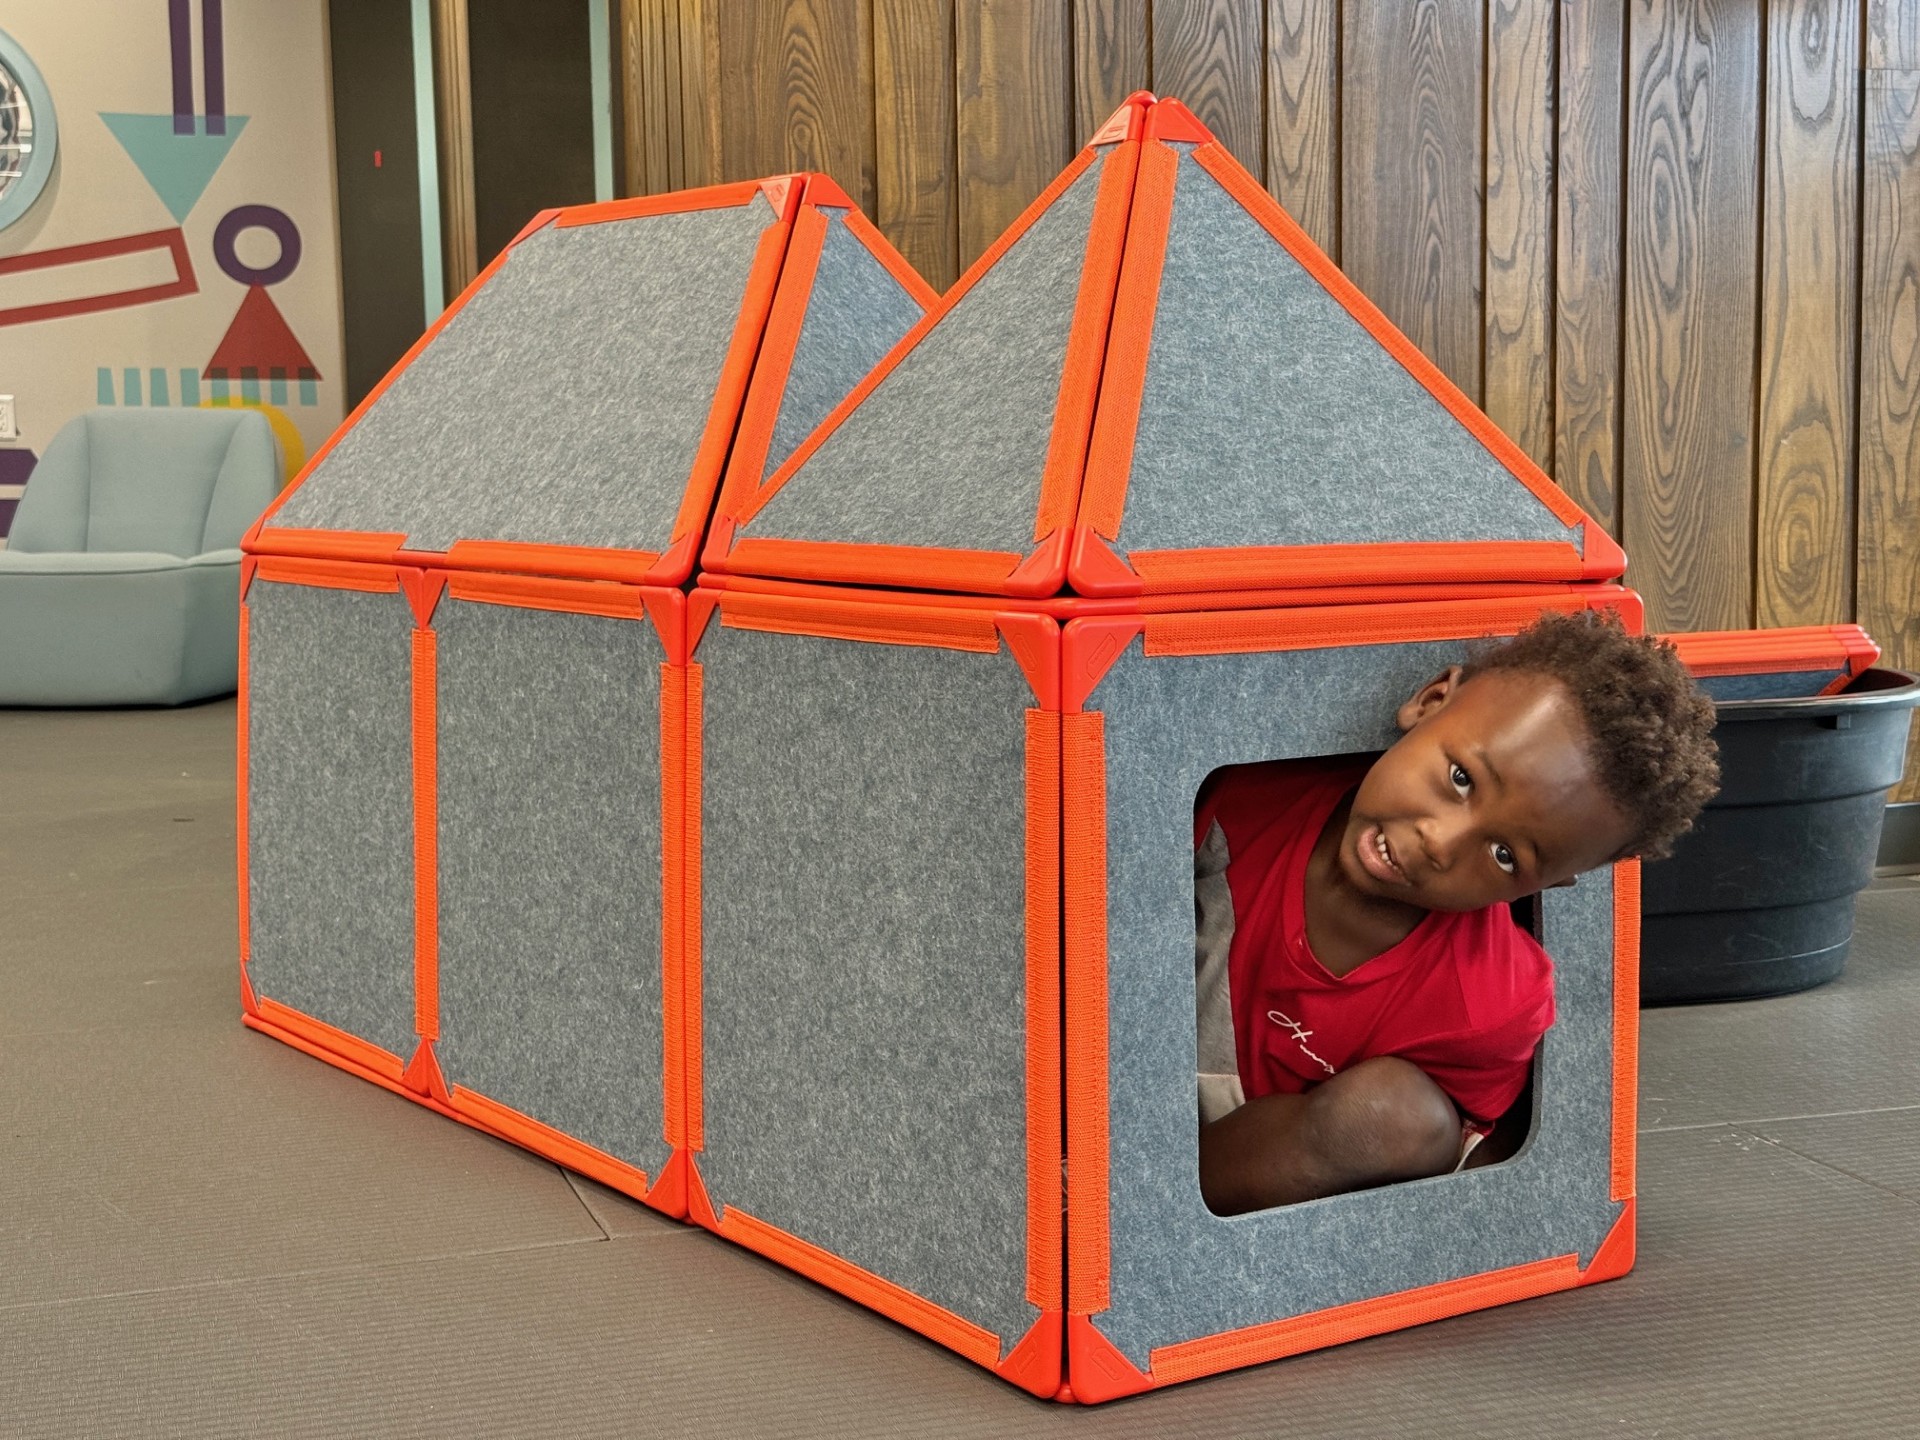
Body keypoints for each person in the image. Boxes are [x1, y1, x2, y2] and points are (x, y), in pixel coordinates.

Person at [1194, 609, 1718, 1215]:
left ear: (1551, 883)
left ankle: (1124, 1211)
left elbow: (1485, 1168)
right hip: (1121, 1077)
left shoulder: (1495, 1000)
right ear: (1433, 700)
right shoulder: (1243, 801)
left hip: (1252, 1168)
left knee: (1396, 1118)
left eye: (1502, 854)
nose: (1439, 842)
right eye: (1462, 778)